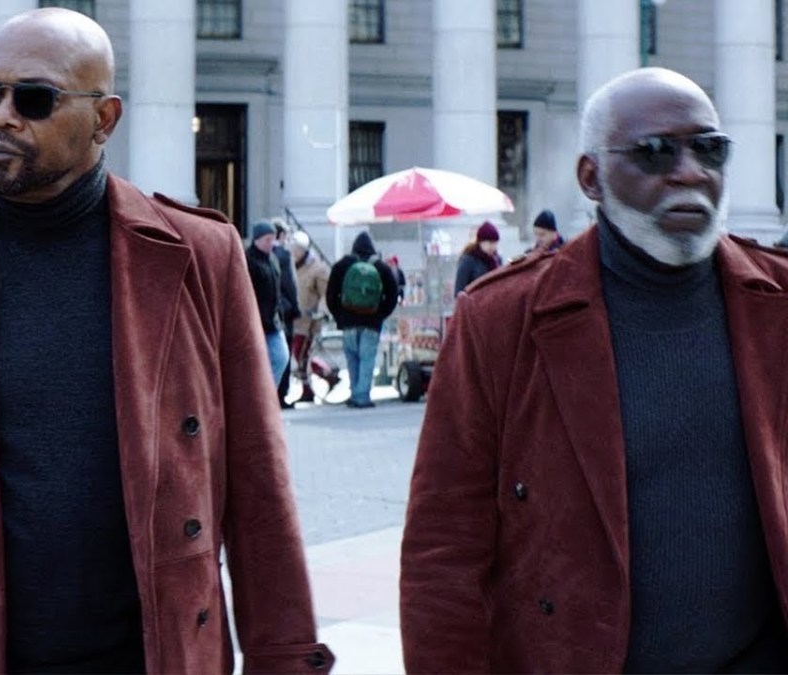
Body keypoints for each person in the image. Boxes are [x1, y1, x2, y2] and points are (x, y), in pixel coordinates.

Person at [0, 8, 332, 674]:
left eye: (34, 99)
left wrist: (284, 656)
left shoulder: (199, 256)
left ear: (104, 119)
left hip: (151, 655)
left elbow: (258, 487)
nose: (0, 117)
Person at [400, 66, 788, 673]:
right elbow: (443, 549)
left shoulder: (778, 302)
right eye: (655, 151)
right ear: (592, 177)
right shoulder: (500, 321)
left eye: (709, 149)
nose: (690, 172)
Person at [325, 232, 398, 409]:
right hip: (372, 322)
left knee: (352, 359)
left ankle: (354, 394)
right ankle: (362, 396)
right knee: (367, 359)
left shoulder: (342, 265)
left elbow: (330, 294)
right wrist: (381, 314)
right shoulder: (381, 267)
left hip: (348, 321)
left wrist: (339, 316)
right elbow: (393, 295)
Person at [289, 230, 338, 403]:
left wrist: (321, 312)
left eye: (297, 249)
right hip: (294, 319)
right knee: (300, 355)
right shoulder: (292, 267)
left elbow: (326, 293)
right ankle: (322, 376)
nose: (294, 252)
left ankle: (317, 381)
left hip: (309, 321)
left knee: (300, 354)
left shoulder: (318, 269)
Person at [247, 219, 291, 387]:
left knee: (281, 357)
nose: (271, 243)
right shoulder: (248, 260)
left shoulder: (273, 259)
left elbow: (277, 291)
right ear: (257, 239)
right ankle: (262, 395)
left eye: (273, 239)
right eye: (267, 239)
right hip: (256, 323)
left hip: (273, 321)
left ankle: (268, 393)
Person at [272, 221, 301, 408]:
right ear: (281, 236)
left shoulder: (256, 253)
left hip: (268, 312)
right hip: (284, 311)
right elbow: (289, 283)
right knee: (284, 354)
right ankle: (281, 394)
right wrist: (296, 308)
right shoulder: (283, 255)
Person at [453, 220, 502, 294]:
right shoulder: (468, 260)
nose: (493, 247)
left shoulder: (497, 260)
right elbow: (459, 290)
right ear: (481, 242)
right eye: (490, 243)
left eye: (495, 243)